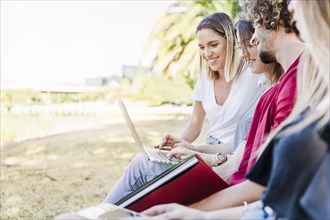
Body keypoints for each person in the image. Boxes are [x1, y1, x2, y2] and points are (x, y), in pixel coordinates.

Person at [142, 0, 329, 219]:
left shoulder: (298, 81)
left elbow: (265, 190)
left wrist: (195, 210)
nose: (252, 40)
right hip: (249, 197)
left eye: (257, 25)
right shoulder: (284, 86)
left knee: (147, 177)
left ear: (275, 22)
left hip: (244, 193)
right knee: (146, 173)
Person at [102, 12, 268, 204]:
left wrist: (198, 150)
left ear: (230, 41)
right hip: (207, 149)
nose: (207, 54)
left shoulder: (252, 71)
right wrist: (179, 144)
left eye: (213, 45)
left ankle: (97, 215)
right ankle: (102, 214)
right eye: (201, 47)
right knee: (143, 165)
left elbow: (247, 140)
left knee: (141, 167)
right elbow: (194, 124)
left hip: (226, 155)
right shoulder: (205, 78)